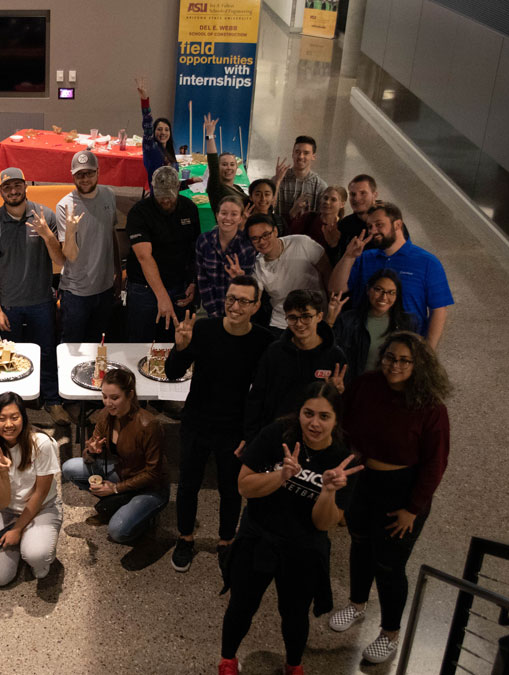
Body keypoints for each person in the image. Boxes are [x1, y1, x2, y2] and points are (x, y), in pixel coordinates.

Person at [218, 382, 362, 675]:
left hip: (303, 548)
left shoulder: (342, 459)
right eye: (308, 413)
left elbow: (324, 524)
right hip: (259, 536)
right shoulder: (277, 435)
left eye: (324, 416)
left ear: (336, 420)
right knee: (242, 605)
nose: (314, 423)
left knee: (295, 614)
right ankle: (228, 660)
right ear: (299, 412)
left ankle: (293, 664)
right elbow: (244, 486)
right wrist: (280, 476)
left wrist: (328, 492)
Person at [331, 331, 451, 665]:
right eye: (389, 357)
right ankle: (356, 605)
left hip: (402, 490)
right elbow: (345, 420)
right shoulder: (368, 384)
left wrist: (412, 509)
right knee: (360, 545)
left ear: (418, 364)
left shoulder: (430, 406)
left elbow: (435, 464)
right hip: (363, 481)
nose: (394, 365)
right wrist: (337, 397)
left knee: (389, 564)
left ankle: (390, 633)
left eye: (403, 360)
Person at [167, 277, 275, 573]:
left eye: (243, 301)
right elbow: (173, 373)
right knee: (188, 485)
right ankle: (185, 538)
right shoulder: (203, 328)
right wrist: (180, 348)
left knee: (230, 490)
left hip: (234, 429)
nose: (235, 306)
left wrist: (251, 436)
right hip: (196, 422)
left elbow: (265, 394)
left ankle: (227, 542)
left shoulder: (264, 341)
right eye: (231, 298)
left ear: (255, 306)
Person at [0, 168, 70, 426]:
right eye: (7, 187)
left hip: (42, 301)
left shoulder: (46, 215)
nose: (13, 191)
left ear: (25, 186)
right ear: (1, 192)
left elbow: (59, 259)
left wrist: (47, 234)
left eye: (17, 185)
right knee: (9, 358)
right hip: (9, 305)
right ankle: (10, 405)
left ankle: (53, 401)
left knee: (47, 353)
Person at [60, 369, 167, 545]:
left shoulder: (149, 425)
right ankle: (119, 503)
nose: (108, 403)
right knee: (70, 467)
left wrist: (116, 488)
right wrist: (92, 452)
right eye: (104, 397)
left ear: (130, 395)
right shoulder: (105, 416)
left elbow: (153, 474)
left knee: (118, 532)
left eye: (114, 398)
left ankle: (145, 517)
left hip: (150, 487)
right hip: (123, 472)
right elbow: (89, 455)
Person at [329, 201, 452, 349]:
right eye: (369, 227)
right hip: (362, 345)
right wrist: (348, 257)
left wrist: (428, 351)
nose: (373, 231)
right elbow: (335, 288)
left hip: (405, 347)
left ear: (397, 225)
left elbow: (438, 310)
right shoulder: (364, 257)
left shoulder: (427, 262)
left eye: (379, 224)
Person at [0, 391, 62, 586]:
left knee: (36, 555)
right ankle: (24, 538)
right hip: (5, 509)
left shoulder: (41, 443)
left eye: (14, 417)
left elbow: (41, 493)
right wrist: (2, 474)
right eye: (1, 419)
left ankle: (31, 543)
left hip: (41, 507)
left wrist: (18, 528)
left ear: (23, 418)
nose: (8, 424)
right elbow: (1, 501)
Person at [245, 290, 348, 439]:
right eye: (293, 318)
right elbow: (256, 397)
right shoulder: (274, 352)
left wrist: (338, 392)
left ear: (319, 316)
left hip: (315, 438)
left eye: (306, 317)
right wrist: (251, 438)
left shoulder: (335, 356)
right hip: (275, 435)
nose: (299, 324)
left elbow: (341, 408)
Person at [123, 166, 200, 342]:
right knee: (139, 343)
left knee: (176, 342)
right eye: (160, 195)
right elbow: (144, 257)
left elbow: (194, 249)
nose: (165, 199)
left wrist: (193, 282)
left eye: (170, 194)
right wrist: (162, 296)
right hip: (145, 288)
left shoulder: (189, 208)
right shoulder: (139, 212)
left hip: (179, 285)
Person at [56, 150, 122, 343]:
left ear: (98, 172)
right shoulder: (65, 206)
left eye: (89, 173)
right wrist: (70, 230)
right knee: (72, 348)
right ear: (73, 175)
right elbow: (69, 255)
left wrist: (118, 271)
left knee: (98, 346)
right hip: (76, 293)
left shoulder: (109, 195)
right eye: (79, 174)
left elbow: (112, 234)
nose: (84, 179)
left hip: (105, 288)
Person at [325, 269, 420, 382]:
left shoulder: (408, 323)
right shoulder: (348, 320)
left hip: (392, 389)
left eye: (391, 292)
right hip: (355, 388)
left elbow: (414, 362)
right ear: (368, 290)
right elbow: (327, 351)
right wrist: (330, 319)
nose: (384, 297)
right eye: (378, 290)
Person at [242, 215, 331, 330]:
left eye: (265, 235)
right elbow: (255, 300)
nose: (262, 241)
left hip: (314, 316)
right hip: (282, 322)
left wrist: (331, 310)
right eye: (255, 238)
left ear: (275, 231)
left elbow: (327, 272)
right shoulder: (257, 266)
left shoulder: (301, 242)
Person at [196, 195, 256, 318]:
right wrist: (213, 312)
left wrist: (240, 278)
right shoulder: (204, 241)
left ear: (241, 218)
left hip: (238, 311)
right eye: (223, 213)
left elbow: (248, 288)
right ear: (217, 215)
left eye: (234, 214)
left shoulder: (247, 248)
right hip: (211, 308)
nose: (228, 218)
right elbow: (202, 279)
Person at [272, 135, 329, 230]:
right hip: (280, 233)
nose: (300, 156)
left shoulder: (320, 186)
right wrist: (276, 182)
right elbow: (268, 210)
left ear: (313, 156)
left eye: (306, 153)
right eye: (297, 152)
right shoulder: (279, 179)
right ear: (292, 154)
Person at [136, 76, 178, 193]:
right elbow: (147, 124)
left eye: (166, 130)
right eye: (159, 129)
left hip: (172, 197)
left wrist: (191, 181)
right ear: (154, 132)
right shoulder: (152, 149)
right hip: (159, 198)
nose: (163, 133)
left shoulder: (168, 151)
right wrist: (145, 101)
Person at [202, 113, 247, 211]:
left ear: (237, 167)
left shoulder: (237, 188)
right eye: (224, 164)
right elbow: (213, 162)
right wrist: (210, 136)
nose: (229, 168)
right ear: (218, 167)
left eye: (232, 164)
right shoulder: (217, 188)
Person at [288, 185, 346, 251]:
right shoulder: (309, 217)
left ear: (342, 204)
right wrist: (293, 213)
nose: (327, 202)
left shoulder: (343, 227)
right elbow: (291, 236)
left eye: (333, 200)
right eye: (325, 198)